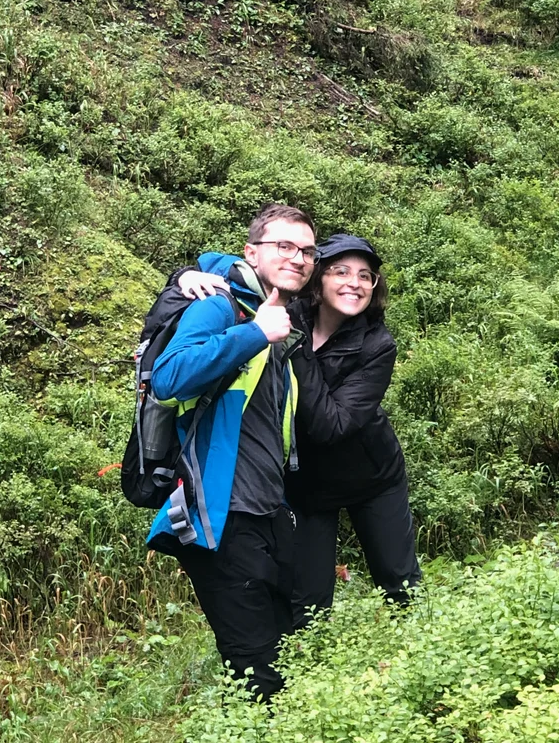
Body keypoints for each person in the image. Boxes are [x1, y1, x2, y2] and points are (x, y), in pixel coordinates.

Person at [179, 233, 421, 630]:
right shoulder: (290, 311)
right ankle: (309, 675)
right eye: (341, 271)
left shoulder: (377, 345)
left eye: (365, 276)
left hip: (372, 477)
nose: (354, 283)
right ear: (319, 278)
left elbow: (332, 425)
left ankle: (417, 660)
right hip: (305, 485)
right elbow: (232, 263)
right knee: (307, 604)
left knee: (398, 582)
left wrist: (297, 348)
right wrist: (189, 275)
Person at [147, 203, 317, 700]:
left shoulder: (281, 317)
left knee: (292, 648)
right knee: (257, 668)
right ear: (252, 252)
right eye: (284, 246)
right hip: (220, 515)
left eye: (306, 250)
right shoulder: (222, 306)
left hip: (268, 512)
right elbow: (169, 378)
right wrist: (253, 333)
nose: (299, 258)